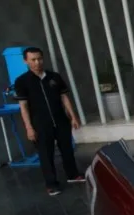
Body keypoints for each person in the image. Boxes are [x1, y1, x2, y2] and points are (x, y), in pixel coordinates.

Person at [15, 47, 84, 196]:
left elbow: (64, 97)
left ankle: (73, 175)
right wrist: (29, 128)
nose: (37, 62)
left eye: (39, 58)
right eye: (33, 60)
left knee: (67, 149)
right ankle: (51, 184)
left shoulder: (54, 77)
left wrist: (73, 116)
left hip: (60, 120)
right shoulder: (22, 81)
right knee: (46, 154)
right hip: (40, 124)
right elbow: (23, 106)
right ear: (25, 61)